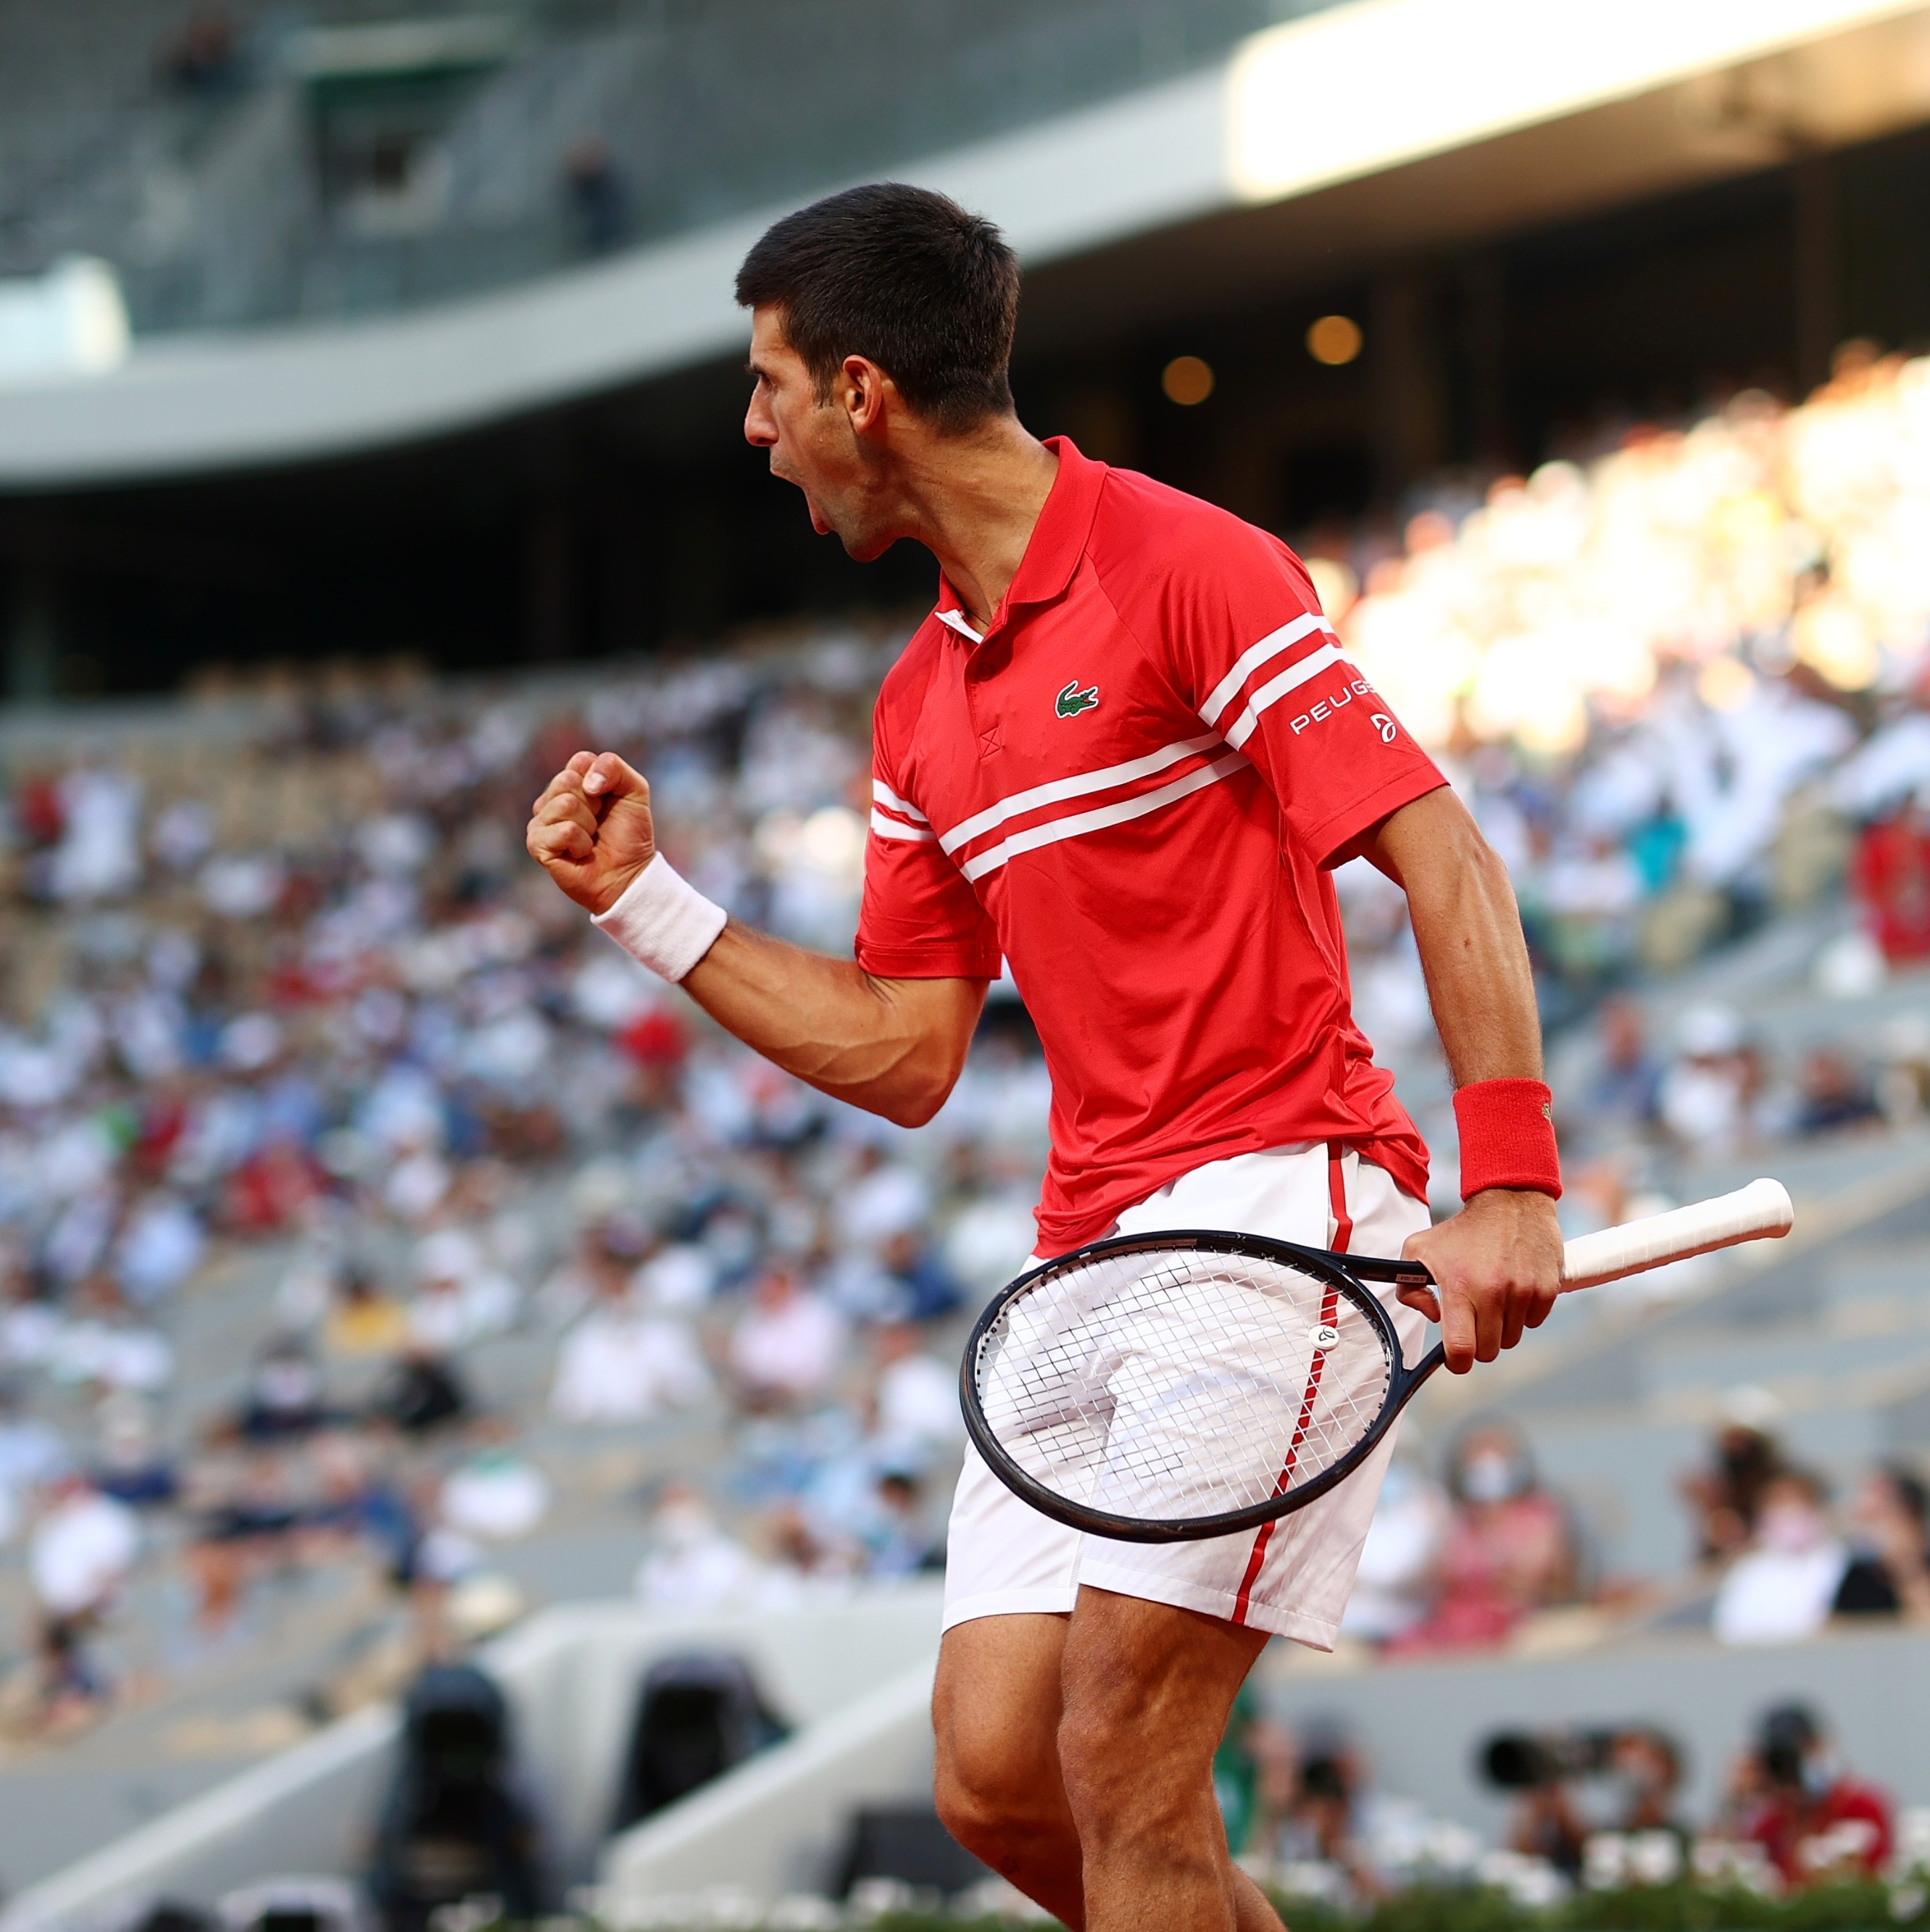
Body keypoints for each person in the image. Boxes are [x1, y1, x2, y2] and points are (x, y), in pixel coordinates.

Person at [525, 183, 1563, 1932]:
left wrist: (1513, 1182)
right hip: (1087, 1248)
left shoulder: (1190, 565)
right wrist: (649, 905)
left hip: (1278, 1212)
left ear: (864, 393)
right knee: (997, 1779)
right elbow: (909, 1049)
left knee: (1123, 1761)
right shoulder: (920, 702)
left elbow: (1445, 854)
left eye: (771, 386)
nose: (755, 431)